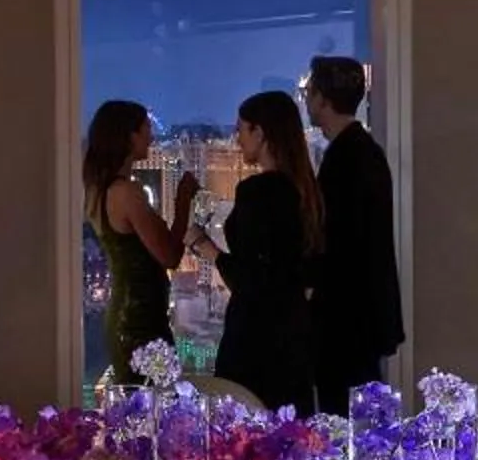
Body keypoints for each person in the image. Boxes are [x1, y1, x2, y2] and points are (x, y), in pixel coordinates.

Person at [194, 90, 322, 411]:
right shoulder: (307, 191)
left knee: (246, 440)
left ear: (260, 133)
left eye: (241, 129)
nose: (236, 139)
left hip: (255, 339)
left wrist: (204, 247)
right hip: (295, 335)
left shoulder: (258, 192)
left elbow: (250, 280)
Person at [302, 57, 404, 415]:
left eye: (309, 91)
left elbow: (340, 241)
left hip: (347, 319)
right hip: (358, 316)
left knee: (346, 418)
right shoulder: (359, 151)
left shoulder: (349, 157)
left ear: (323, 99)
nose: (306, 99)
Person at [83, 100, 190, 384]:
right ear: (129, 136)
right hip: (141, 323)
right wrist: (183, 204)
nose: (151, 137)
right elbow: (169, 255)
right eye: (145, 129)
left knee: (140, 408)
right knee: (160, 409)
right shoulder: (126, 193)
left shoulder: (99, 190)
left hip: (128, 316)